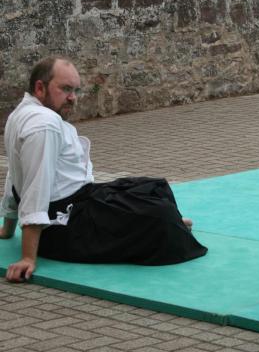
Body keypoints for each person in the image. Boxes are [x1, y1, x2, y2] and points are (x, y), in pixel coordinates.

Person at [0, 56, 207, 282]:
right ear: (40, 87)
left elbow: (15, 174)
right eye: (65, 89)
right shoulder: (44, 125)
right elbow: (34, 187)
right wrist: (29, 257)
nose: (73, 98)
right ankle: (168, 225)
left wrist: (7, 228)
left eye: (75, 90)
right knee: (161, 216)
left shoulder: (21, 114)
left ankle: (170, 225)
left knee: (153, 187)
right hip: (64, 228)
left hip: (81, 200)